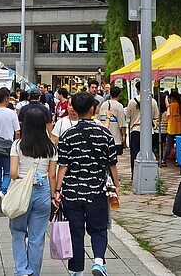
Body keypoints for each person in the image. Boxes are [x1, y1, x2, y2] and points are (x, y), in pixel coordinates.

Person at [54, 91, 119, 276]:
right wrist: (116, 187)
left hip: (72, 192)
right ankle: (98, 261)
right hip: (97, 192)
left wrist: (57, 190)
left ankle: (76, 271)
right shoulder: (105, 134)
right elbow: (112, 164)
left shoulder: (68, 135)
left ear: (75, 108)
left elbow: (63, 166)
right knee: (99, 229)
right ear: (93, 109)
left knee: (76, 231)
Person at [9, 108, 57, 276]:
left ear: (25, 125)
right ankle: (34, 272)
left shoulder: (17, 145)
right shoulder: (51, 147)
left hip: (22, 189)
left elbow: (13, 173)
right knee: (37, 237)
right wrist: (53, 195)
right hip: (43, 190)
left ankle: (22, 270)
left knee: (18, 232)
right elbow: (52, 175)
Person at [126, 81, 159, 176]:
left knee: (135, 154)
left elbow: (128, 115)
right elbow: (156, 116)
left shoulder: (132, 102)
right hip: (149, 131)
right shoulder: (152, 101)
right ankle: (148, 175)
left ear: (137, 90)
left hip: (135, 130)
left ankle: (135, 174)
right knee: (148, 153)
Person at [162, 90, 181, 167]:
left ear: (172, 98)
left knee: (168, 145)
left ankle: (163, 160)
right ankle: (178, 160)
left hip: (172, 129)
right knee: (179, 145)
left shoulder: (170, 106)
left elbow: (167, 117)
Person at [99, 86, 127, 155]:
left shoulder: (103, 104)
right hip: (116, 138)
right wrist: (123, 135)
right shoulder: (119, 106)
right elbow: (122, 123)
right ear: (119, 95)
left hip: (104, 137)